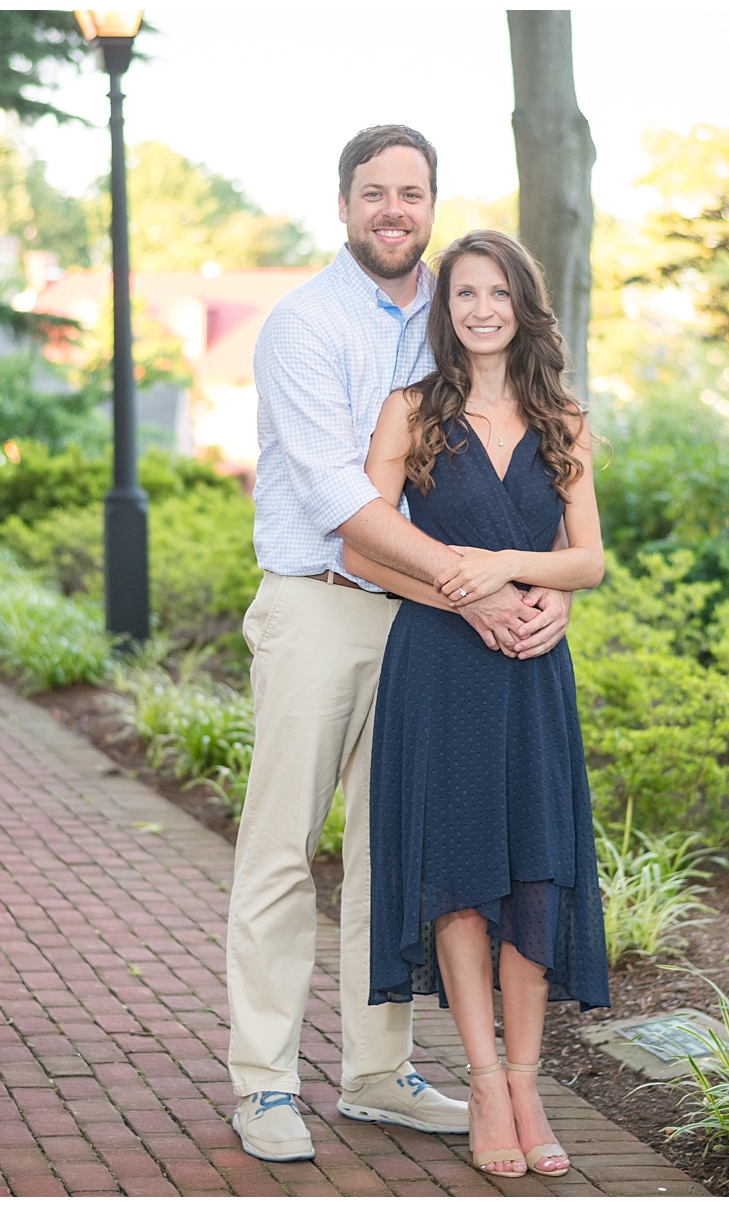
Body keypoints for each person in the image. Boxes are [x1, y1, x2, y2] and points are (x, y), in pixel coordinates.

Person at [227, 128, 576, 1163]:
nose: (394, 209)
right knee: (283, 846)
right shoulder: (304, 326)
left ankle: (379, 1072)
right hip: (322, 608)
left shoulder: (459, 311)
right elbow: (343, 500)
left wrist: (540, 593)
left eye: (411, 192)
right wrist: (470, 589)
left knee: (404, 850)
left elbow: (521, 478)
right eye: (374, 192)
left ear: (432, 203)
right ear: (343, 205)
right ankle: (265, 1082)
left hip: (434, 636)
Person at [342, 229, 610, 1180]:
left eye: (498, 292)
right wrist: (467, 595)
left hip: (532, 668)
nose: (482, 308)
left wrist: (516, 575)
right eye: (464, 294)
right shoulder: (410, 411)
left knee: (534, 874)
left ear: (522, 304)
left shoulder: (562, 420)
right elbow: (360, 550)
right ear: (443, 310)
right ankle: (486, 1083)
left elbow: (589, 557)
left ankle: (529, 1079)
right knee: (459, 879)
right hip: (441, 669)